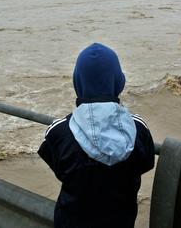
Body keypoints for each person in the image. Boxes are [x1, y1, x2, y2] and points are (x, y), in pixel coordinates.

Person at [38, 43, 155, 228]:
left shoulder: (58, 132)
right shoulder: (139, 129)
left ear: (77, 81)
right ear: (118, 81)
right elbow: (146, 162)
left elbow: (59, 169)